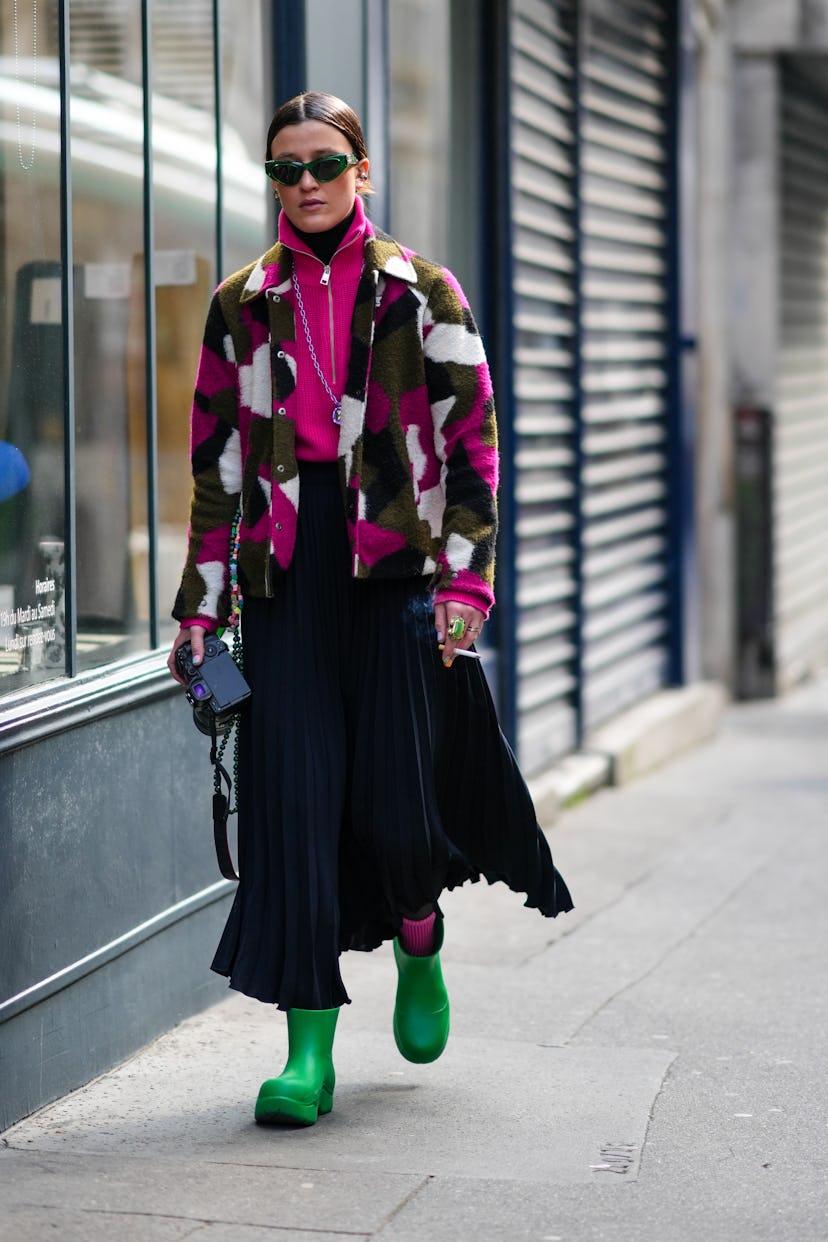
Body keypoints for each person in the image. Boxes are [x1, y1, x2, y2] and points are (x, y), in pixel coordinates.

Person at [168, 91, 573, 1127]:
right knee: (293, 815)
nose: (304, 185)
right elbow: (216, 468)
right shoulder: (240, 304)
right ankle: (309, 1055)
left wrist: (469, 581)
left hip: (395, 576)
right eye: (285, 170)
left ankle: (419, 938)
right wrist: (202, 611)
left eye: (323, 165)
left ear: (361, 172)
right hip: (287, 589)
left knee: (400, 810)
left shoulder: (422, 292)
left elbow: (474, 443)